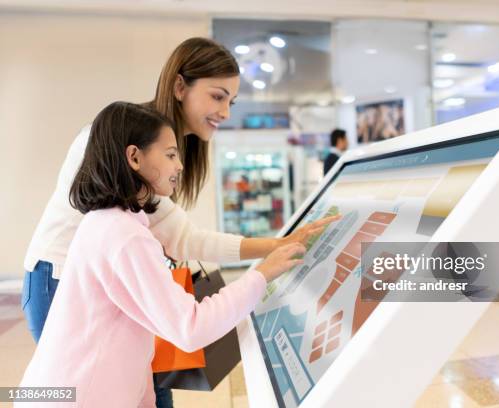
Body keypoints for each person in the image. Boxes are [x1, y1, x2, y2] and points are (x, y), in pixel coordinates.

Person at [21, 37, 338, 407]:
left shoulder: (126, 212)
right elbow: (189, 319)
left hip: (99, 283)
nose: (225, 112)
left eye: (231, 102)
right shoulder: (118, 196)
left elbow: (184, 237)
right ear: (179, 87)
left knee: (141, 379)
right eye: (218, 97)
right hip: (55, 278)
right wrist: (262, 271)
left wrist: (276, 248)